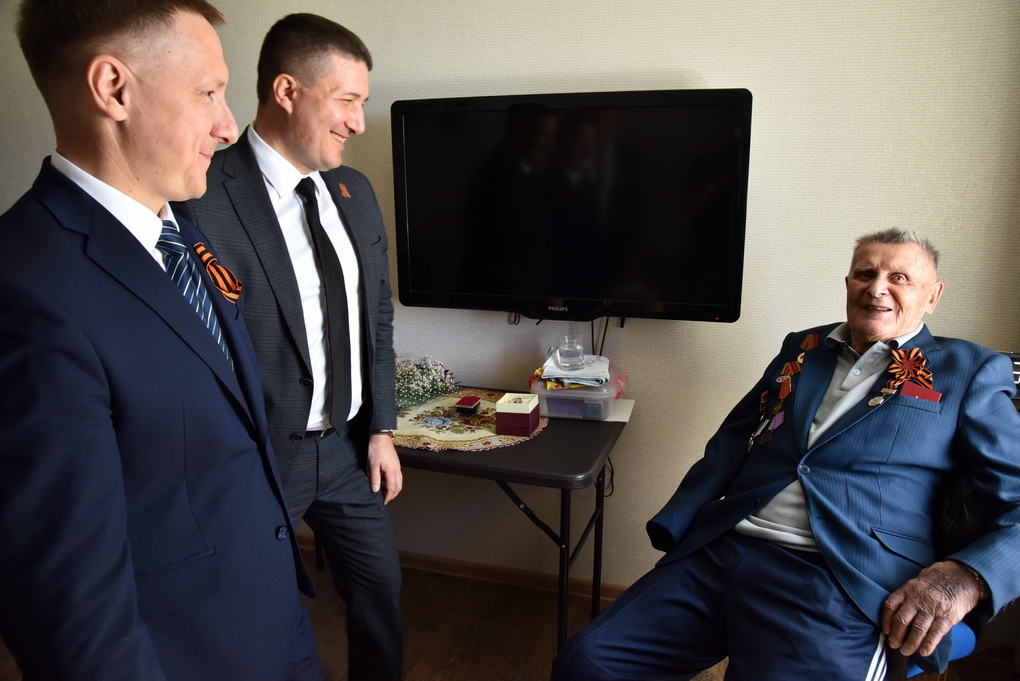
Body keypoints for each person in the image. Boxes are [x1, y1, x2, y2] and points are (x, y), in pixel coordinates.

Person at [0, 2, 324, 680]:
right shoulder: (23, 289)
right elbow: (71, 604)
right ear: (114, 89)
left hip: (271, 621)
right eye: (207, 92)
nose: (228, 125)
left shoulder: (181, 232)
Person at [552, 228, 1020, 681]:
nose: (878, 288)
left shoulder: (969, 369)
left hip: (839, 578)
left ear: (932, 296)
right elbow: (736, 434)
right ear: (848, 283)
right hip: (725, 547)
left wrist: (967, 577)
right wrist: (682, 518)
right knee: (587, 664)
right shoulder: (804, 346)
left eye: (899, 278)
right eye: (865, 274)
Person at [173, 14, 403, 681]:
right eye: (347, 100)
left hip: (346, 450)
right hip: (258, 457)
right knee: (259, 617)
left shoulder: (355, 192)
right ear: (287, 91)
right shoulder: (200, 194)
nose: (358, 122)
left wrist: (382, 428)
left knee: (381, 592)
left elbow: (377, 315)